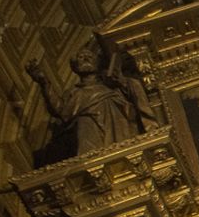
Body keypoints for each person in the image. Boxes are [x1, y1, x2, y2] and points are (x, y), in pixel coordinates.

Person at [26, 41, 156, 156]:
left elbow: (135, 92)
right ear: (75, 66)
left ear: (97, 63)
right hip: (89, 135)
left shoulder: (112, 85)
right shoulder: (74, 93)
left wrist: (121, 80)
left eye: (90, 56)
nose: (86, 59)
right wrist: (44, 82)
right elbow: (60, 109)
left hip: (120, 131)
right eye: (81, 57)